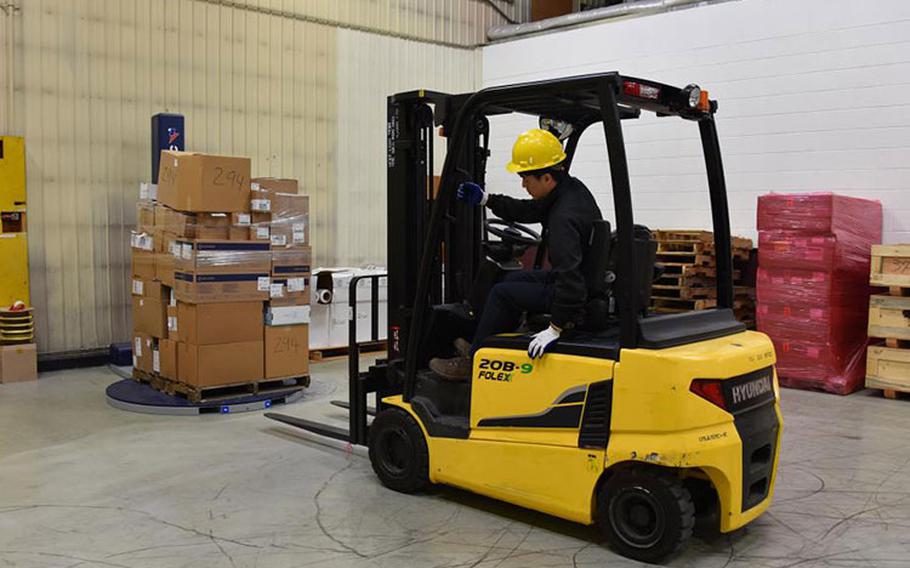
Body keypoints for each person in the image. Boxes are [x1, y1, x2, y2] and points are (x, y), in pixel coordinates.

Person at [429, 128, 603, 381]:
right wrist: (486, 199)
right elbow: (528, 210)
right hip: (578, 281)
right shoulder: (568, 190)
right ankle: (488, 345)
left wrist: (556, 327)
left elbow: (570, 278)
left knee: (502, 293)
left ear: (545, 177)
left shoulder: (563, 218)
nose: (523, 184)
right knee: (509, 281)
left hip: (573, 292)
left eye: (526, 178)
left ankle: (474, 363)